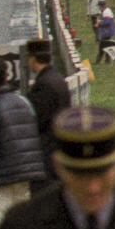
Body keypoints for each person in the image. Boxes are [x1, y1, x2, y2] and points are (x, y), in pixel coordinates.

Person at [0, 56, 47, 229]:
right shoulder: (25, 102)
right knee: (24, 226)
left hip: (0, 176)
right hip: (27, 174)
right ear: (7, 75)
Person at [24, 38, 71, 193]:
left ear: (32, 58)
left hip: (46, 152)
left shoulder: (43, 84)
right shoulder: (58, 79)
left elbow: (37, 119)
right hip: (60, 145)